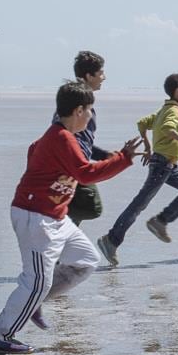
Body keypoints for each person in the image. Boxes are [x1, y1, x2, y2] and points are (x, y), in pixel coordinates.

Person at [0, 81, 144, 355]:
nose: (91, 116)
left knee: (86, 261)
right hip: (36, 218)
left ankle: (33, 301)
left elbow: (34, 150)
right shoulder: (61, 137)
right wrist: (123, 158)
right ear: (79, 110)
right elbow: (86, 174)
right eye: (90, 110)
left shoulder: (57, 138)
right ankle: (0, 334)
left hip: (57, 218)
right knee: (36, 281)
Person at [99, 73, 178, 264]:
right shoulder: (173, 111)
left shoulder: (165, 109)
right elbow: (166, 128)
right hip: (162, 164)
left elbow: (142, 123)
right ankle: (111, 240)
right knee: (139, 204)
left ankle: (160, 221)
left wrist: (149, 147)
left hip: (168, 165)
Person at [66, 51, 116, 225]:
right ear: (89, 75)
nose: (104, 77)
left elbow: (83, 140)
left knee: (80, 214)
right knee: (91, 207)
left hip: (77, 167)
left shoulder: (84, 100)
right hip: (73, 169)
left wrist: (103, 155)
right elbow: (67, 136)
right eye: (101, 73)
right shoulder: (75, 101)